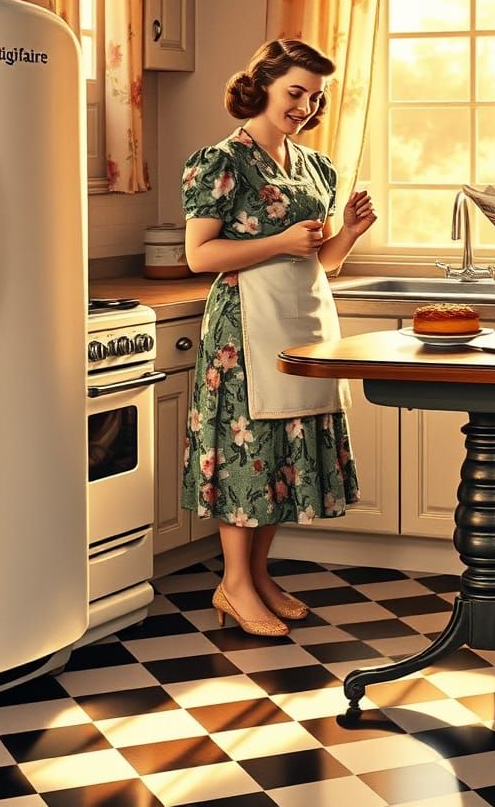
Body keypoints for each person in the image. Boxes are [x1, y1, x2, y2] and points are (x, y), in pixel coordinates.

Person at [181, 39, 377, 637]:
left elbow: (323, 262)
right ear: (262, 85)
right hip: (242, 330)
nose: (304, 106)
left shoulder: (316, 166)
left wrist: (349, 233)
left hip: (300, 322)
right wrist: (280, 242)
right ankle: (234, 585)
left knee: (283, 458)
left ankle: (257, 576)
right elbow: (199, 255)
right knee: (250, 453)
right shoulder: (221, 162)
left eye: (314, 97)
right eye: (295, 91)